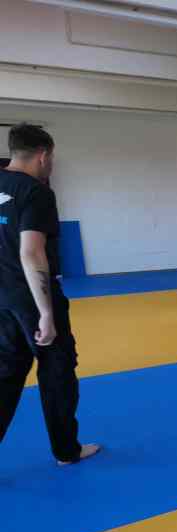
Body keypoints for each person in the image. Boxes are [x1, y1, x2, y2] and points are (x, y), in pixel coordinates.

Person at [0, 124, 100, 464]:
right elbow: (32, 252)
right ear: (43, 155)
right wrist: (45, 312)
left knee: (6, 375)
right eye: (51, 158)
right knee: (57, 371)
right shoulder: (36, 192)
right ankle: (66, 450)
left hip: (3, 299)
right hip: (31, 297)